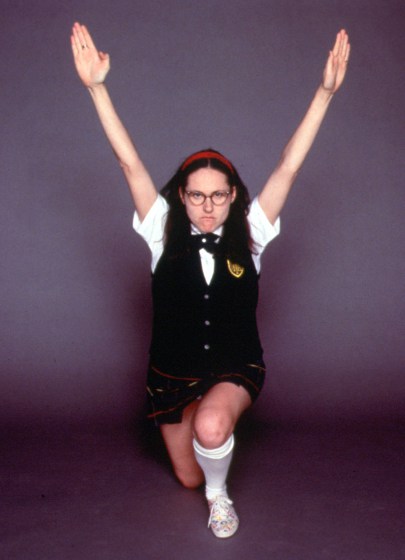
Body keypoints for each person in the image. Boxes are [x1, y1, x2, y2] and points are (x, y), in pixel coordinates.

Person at [71, 22, 350, 538]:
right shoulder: (161, 230)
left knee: (211, 430)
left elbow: (288, 167)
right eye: (197, 195)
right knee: (188, 477)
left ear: (233, 195)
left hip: (233, 364)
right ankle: (204, 441)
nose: (207, 207)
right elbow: (129, 162)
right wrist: (96, 88)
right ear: (181, 196)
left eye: (218, 195)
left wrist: (325, 92)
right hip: (171, 375)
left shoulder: (252, 233)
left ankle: (220, 497)